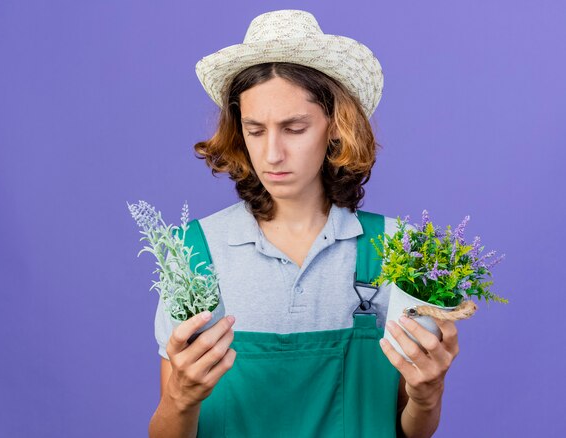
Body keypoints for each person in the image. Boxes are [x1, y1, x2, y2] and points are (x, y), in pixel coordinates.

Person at [148, 9, 460, 438]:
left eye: (294, 128)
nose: (272, 154)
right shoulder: (194, 252)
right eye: (255, 130)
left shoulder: (397, 249)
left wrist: (428, 395)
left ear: (336, 127)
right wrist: (179, 398)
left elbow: (411, 429)